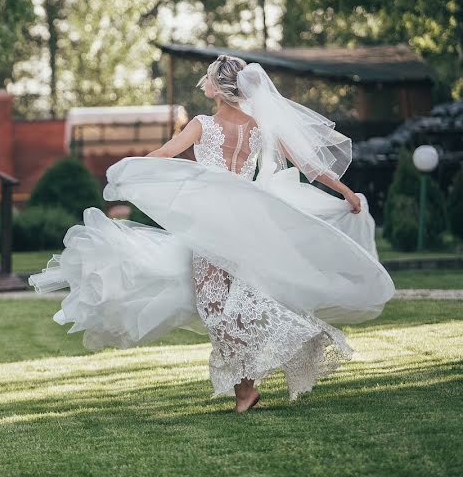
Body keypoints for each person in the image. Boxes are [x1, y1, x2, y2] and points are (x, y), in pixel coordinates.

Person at [29, 54, 394, 413]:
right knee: (235, 298)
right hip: (249, 220)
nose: (202, 83)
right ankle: (253, 378)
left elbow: (167, 152)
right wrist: (344, 190)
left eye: (206, 78)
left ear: (219, 90)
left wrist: (128, 168)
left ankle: (279, 352)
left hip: (213, 224)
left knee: (215, 304)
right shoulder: (259, 126)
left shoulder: (203, 124)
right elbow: (307, 164)